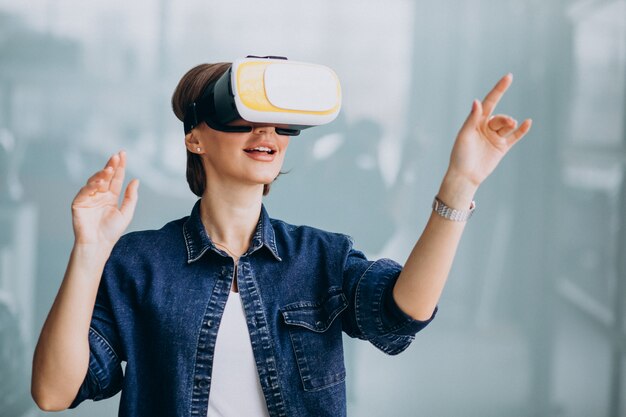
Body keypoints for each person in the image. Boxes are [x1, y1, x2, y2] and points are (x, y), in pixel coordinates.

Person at [30, 58, 531, 417]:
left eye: (277, 122)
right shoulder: (139, 263)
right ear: (195, 136)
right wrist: (89, 251)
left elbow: (402, 314)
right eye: (243, 116)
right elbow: (54, 392)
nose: (265, 132)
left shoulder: (321, 256)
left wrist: (459, 185)